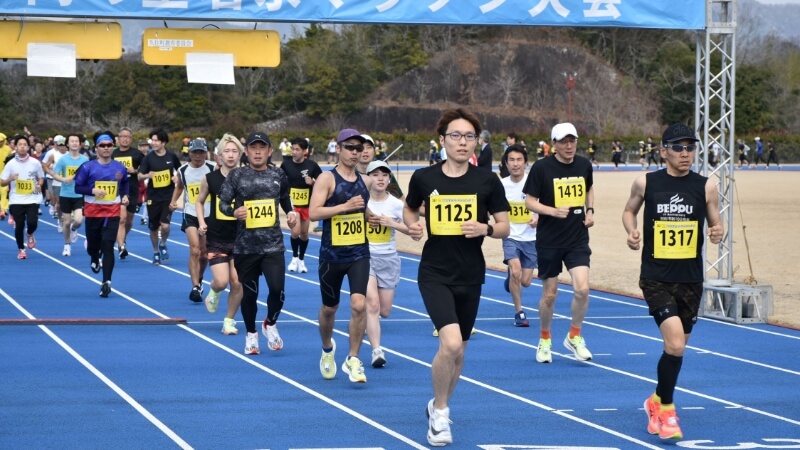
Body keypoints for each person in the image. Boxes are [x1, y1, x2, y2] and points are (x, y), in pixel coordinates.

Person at [404, 108, 510, 446]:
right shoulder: (424, 177)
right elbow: (409, 208)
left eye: (468, 137)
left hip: (470, 273)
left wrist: (487, 228)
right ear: (442, 140)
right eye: (455, 136)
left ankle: (437, 405)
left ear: (476, 142)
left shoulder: (487, 180)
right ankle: (441, 414)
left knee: (459, 351)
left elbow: (505, 225)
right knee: (449, 343)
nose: (462, 142)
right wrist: (413, 224)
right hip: (434, 271)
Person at [622, 123, 724, 441]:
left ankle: (655, 400)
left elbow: (716, 220)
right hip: (656, 278)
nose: (685, 153)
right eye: (678, 148)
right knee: (676, 343)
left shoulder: (706, 185)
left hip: (691, 280)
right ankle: (665, 411)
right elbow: (629, 211)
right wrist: (632, 231)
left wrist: (718, 230)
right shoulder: (646, 182)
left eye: (690, 147)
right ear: (663, 150)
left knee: (676, 350)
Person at [218, 132, 296, 355]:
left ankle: (270, 323)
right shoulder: (237, 175)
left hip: (273, 246)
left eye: (263, 147)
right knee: (250, 295)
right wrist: (234, 211)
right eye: (254, 148)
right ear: (248, 152)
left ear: (270, 151)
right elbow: (223, 203)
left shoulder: (278, 174)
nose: (258, 151)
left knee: (277, 290)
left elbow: (284, 198)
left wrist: (290, 213)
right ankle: (251, 333)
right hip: (246, 247)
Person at [524, 122, 595, 364]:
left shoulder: (584, 164)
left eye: (572, 140)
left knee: (582, 289)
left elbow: (589, 188)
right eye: (563, 141)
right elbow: (530, 202)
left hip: (576, 237)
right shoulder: (542, 168)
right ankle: (545, 339)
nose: (569, 145)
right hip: (550, 240)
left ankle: (574, 335)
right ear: (553, 144)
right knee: (550, 295)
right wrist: (552, 211)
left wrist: (590, 210)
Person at [309, 128, 374, 383]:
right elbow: (314, 213)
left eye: (359, 148)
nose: (355, 152)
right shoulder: (327, 179)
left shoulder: (365, 181)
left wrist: (390, 223)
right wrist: (344, 207)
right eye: (350, 147)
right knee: (329, 308)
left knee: (359, 304)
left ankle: (354, 358)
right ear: (338, 148)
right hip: (331, 256)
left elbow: (364, 214)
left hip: (359, 252)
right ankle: (327, 348)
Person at [196, 133, 244, 336]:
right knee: (222, 282)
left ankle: (229, 321)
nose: (231, 155)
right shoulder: (211, 179)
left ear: (240, 154)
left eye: (235, 151)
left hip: (242, 238)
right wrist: (201, 222)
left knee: (237, 282)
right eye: (227, 151)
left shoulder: (247, 177)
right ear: (220, 155)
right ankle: (214, 290)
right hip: (217, 237)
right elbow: (199, 201)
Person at [364, 160, 410, 368]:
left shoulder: (396, 204)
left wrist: (391, 223)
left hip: (389, 259)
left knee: (384, 311)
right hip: (365, 258)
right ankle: (376, 350)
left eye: (384, 175)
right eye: (375, 175)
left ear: (389, 179)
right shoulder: (361, 202)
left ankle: (366, 319)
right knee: (372, 304)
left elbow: (415, 230)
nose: (380, 178)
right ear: (368, 179)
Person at [73, 133, 129, 297]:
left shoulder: (120, 167)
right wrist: (93, 190)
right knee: (93, 246)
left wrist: (125, 196)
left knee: (108, 245)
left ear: (113, 147)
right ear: (96, 148)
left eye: (109, 145)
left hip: (112, 212)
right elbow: (78, 188)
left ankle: (106, 282)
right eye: (102, 145)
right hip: (92, 213)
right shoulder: (87, 167)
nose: (106, 148)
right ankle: (94, 257)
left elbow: (125, 183)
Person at [172, 138, 215, 302]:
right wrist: (173, 200)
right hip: (190, 213)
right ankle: (195, 287)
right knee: (195, 250)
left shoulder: (212, 168)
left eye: (201, 153)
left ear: (206, 153)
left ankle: (200, 277)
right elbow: (180, 187)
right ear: (189, 153)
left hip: (209, 215)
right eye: (195, 153)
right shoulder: (183, 170)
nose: (198, 156)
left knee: (204, 254)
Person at [501, 144, 538, 327]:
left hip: (531, 238)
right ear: (506, 164)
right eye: (511, 160)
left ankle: (512, 279)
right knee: (516, 270)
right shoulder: (501, 185)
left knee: (525, 281)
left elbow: (545, 204)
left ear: (525, 163)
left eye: (519, 160)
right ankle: (519, 312)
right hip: (511, 236)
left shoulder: (534, 182)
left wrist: (537, 218)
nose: (515, 164)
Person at [138, 129, 181, 265]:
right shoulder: (148, 158)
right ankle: (156, 251)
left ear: (163, 142)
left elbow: (181, 171)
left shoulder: (171, 156)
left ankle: (163, 243)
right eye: (153, 140)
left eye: (156, 140)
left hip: (168, 196)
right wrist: (147, 175)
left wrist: (176, 177)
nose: (154, 143)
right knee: (153, 227)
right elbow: (139, 175)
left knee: (166, 226)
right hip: (153, 196)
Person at [281, 137, 322, 274]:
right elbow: (280, 180)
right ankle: (294, 257)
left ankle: (301, 259)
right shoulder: (286, 165)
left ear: (305, 151)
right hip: (293, 204)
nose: (294, 152)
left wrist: (313, 183)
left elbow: (323, 183)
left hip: (307, 205)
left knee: (304, 234)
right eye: (293, 148)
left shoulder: (312, 165)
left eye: (297, 149)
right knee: (296, 231)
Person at [0, 135, 44, 259]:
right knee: (19, 225)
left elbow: (41, 177)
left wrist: (39, 184)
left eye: (25, 144)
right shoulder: (10, 163)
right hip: (16, 199)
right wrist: (11, 178)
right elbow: (2, 182)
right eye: (20, 144)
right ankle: (21, 249)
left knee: (32, 222)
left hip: (33, 198)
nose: (23, 147)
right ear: (16, 147)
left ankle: (30, 233)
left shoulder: (35, 163)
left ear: (28, 147)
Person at [49, 134, 90, 256]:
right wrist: (63, 179)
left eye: (76, 141)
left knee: (78, 220)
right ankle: (67, 245)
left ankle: (73, 229)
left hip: (79, 194)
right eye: (72, 141)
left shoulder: (85, 160)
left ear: (80, 144)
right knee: (66, 222)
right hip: (66, 194)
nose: (74, 143)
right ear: (67, 144)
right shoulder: (63, 160)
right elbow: (54, 174)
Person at [112, 127, 145, 259]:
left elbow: (145, 170)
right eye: (123, 136)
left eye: (128, 137)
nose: (125, 139)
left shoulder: (137, 154)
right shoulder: (113, 154)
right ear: (118, 139)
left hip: (132, 188)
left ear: (131, 139)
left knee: (129, 220)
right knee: (121, 219)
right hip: (116, 190)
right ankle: (121, 246)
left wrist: (135, 171)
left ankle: (122, 238)